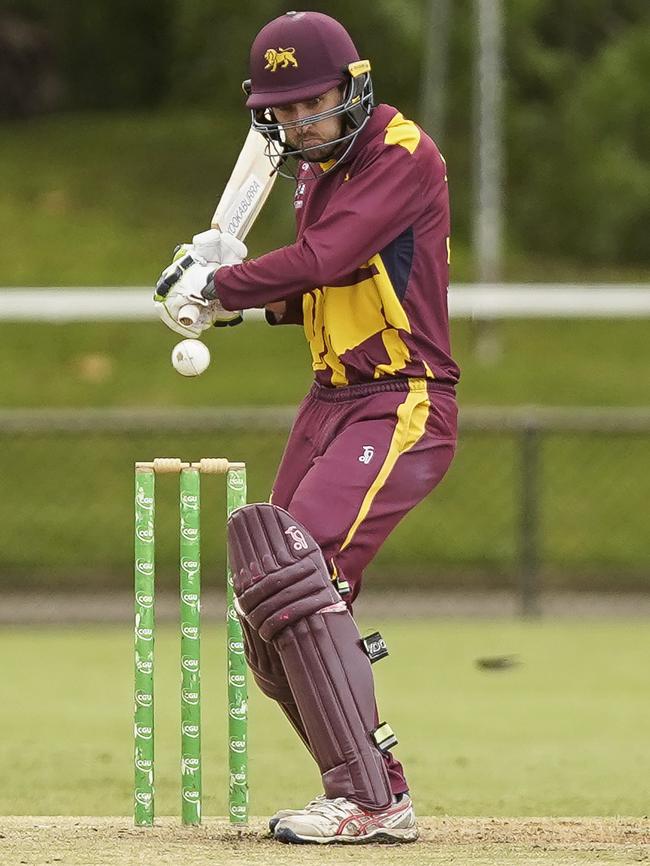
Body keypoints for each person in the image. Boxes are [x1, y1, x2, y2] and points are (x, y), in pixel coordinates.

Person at [154, 10, 460, 845]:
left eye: (311, 105)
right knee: (268, 601)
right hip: (328, 399)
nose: (297, 124)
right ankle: (369, 790)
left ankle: (371, 799)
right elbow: (315, 290)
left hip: (402, 397)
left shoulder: (402, 154)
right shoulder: (314, 171)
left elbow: (328, 257)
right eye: (281, 112)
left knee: (300, 565)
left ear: (354, 88)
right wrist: (224, 298)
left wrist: (224, 283)